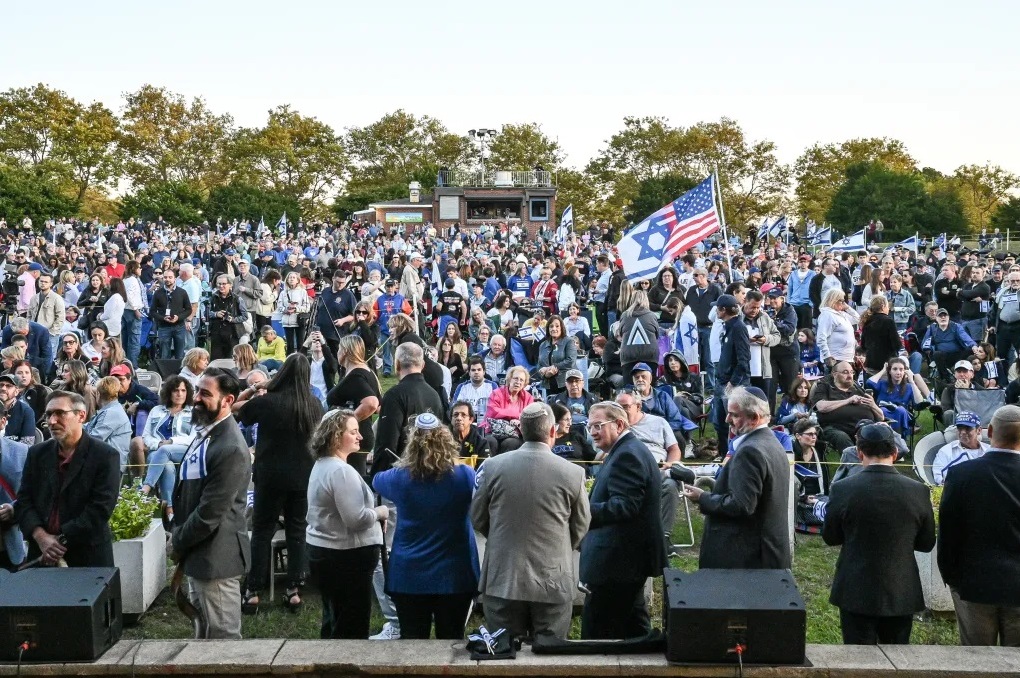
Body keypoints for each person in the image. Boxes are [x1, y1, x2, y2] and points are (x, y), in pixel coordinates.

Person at [471, 402, 590, 640]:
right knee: (550, 658)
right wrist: (560, 546)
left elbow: (477, 517)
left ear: (520, 431)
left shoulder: (492, 467)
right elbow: (581, 525)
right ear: (553, 431)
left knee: (504, 655)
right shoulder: (573, 473)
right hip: (553, 580)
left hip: (503, 577)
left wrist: (500, 537)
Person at [821, 421, 935, 644]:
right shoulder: (918, 491)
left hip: (855, 588)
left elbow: (830, 537)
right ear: (894, 453)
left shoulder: (842, 488)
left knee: (859, 661)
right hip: (901, 589)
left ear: (859, 452)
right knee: (897, 661)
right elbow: (926, 543)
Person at [373, 412, 479, 640]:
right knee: (451, 639)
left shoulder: (398, 477)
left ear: (412, 444)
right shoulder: (465, 476)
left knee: (413, 642)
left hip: (409, 573)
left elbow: (376, 479)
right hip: (455, 574)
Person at [368, 341, 445, 640]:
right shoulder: (434, 395)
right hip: (430, 481)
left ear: (397, 364)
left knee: (385, 553)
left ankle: (397, 620)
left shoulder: (396, 394)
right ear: (422, 364)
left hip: (400, 483)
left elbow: (385, 445)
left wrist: (376, 480)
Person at [235, 353, 322, 613]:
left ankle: (253, 590)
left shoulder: (269, 402)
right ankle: (294, 588)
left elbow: (237, 409)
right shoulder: (314, 405)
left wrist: (254, 388)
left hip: (270, 475)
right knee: (298, 531)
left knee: (262, 531)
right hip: (303, 477)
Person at [168, 368, 252, 640]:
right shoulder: (208, 432)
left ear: (228, 400)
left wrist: (178, 539)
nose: (196, 399)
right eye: (197, 391)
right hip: (200, 554)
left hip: (217, 559)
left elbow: (210, 513)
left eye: (206, 394)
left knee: (223, 643)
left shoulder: (230, 447)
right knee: (204, 635)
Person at [579, 401, 667, 639]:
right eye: (590, 427)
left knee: (597, 637)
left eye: (598, 425)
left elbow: (625, 506)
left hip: (618, 564)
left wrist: (580, 512)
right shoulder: (625, 450)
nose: (593, 432)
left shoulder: (628, 454)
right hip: (623, 562)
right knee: (636, 631)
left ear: (619, 424)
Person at [684, 386, 792, 569]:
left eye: (734, 415)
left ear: (755, 418)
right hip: (765, 554)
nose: (727, 420)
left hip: (747, 560)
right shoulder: (772, 442)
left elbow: (741, 505)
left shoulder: (750, 451)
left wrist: (702, 497)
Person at [938, 404, 1020, 646]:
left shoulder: (961, 474)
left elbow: (948, 532)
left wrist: (952, 578)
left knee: (976, 663)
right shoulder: (962, 474)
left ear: (989, 431)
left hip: (973, 583)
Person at [305, 409, 386, 639]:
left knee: (334, 618)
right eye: (354, 432)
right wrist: (379, 512)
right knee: (351, 624)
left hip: (328, 552)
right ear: (335, 436)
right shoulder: (341, 471)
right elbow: (356, 519)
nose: (360, 437)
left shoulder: (322, 465)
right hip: (346, 557)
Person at [16, 391, 120, 566]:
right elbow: (24, 500)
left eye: (60, 413)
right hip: (42, 557)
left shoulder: (104, 455)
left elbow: (100, 509)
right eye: (48, 414)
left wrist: (58, 541)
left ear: (81, 416)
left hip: (87, 558)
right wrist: (41, 537)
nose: (51, 421)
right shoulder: (37, 454)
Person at [134, 376, 196, 517]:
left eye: (183, 390)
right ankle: (169, 509)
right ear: (169, 392)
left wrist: (171, 442)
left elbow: (193, 438)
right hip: (157, 453)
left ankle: (145, 489)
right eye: (176, 390)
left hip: (184, 452)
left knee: (165, 450)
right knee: (166, 465)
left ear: (188, 393)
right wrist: (159, 444)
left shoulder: (194, 412)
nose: (179, 394)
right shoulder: (156, 410)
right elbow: (146, 436)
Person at [326, 335, 381, 477]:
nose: (337, 352)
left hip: (353, 438)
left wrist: (350, 421)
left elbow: (372, 403)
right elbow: (380, 406)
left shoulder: (356, 375)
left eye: (339, 349)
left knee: (352, 482)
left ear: (345, 351)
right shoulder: (367, 372)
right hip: (359, 436)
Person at [809, 361, 884, 453]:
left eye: (851, 372)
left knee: (874, 432)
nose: (850, 375)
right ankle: (854, 464)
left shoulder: (858, 389)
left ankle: (876, 463)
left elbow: (881, 417)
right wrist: (848, 401)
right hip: (834, 428)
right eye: (845, 372)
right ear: (834, 374)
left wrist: (873, 405)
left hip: (862, 426)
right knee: (842, 437)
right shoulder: (825, 387)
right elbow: (821, 407)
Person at [84, 377, 133, 471]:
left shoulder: (111, 413)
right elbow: (87, 427)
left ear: (98, 393)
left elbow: (94, 439)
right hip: (103, 463)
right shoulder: (110, 410)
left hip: (108, 467)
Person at [0, 411, 29, 569]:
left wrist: (13, 509)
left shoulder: (22, 452)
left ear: (2, 422)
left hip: (11, 541)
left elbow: (34, 493)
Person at [484, 365, 535, 455]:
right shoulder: (497, 393)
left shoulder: (528, 398)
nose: (518, 382)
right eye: (515, 378)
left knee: (510, 443)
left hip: (515, 434)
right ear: (509, 379)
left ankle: (504, 468)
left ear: (524, 384)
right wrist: (516, 416)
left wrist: (519, 421)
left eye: (521, 380)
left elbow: (530, 417)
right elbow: (493, 412)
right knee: (490, 441)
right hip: (494, 431)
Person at [931, 411, 989, 485]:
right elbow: (938, 476)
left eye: (968, 428)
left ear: (979, 430)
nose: (963, 432)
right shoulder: (947, 451)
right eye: (959, 428)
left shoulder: (989, 451)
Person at [151, 268, 192, 360]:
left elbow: (188, 309)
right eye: (165, 277)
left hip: (179, 327)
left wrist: (179, 317)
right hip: (164, 327)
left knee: (180, 355)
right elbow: (152, 311)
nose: (167, 279)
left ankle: (179, 373)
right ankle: (164, 374)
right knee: (164, 355)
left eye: (170, 277)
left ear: (174, 278)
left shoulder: (182, 292)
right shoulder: (158, 293)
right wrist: (162, 318)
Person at [207, 275, 250, 360]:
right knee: (216, 360)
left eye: (224, 284)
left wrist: (232, 319)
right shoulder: (212, 298)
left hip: (232, 333)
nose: (221, 286)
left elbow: (245, 316)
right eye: (219, 284)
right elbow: (206, 313)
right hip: (216, 333)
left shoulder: (237, 299)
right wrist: (216, 314)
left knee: (231, 359)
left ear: (230, 285)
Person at [817, 289, 861, 372]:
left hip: (846, 358)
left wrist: (848, 308)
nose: (844, 303)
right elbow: (821, 337)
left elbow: (858, 319)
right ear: (833, 300)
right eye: (842, 301)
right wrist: (827, 356)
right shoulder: (827, 314)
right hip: (836, 359)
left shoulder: (841, 314)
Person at [535, 314, 577, 395]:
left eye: (557, 326)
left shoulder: (569, 342)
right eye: (551, 326)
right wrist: (545, 374)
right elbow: (539, 365)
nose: (554, 329)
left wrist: (552, 367)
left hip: (566, 384)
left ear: (562, 328)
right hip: (548, 385)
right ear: (548, 329)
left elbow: (570, 361)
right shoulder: (542, 345)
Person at [451, 356, 497, 423]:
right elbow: (455, 407)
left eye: (479, 370)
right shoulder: (462, 387)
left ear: (484, 372)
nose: (476, 372)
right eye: (473, 370)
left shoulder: (492, 386)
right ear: (469, 373)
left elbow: (496, 407)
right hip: (466, 422)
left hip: (486, 421)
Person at [278, 271, 311, 354]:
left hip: (299, 321)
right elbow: (279, 306)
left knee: (301, 344)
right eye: (290, 277)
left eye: (293, 277)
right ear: (287, 280)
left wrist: (296, 309)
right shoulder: (283, 293)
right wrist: (285, 310)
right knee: (289, 345)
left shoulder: (303, 292)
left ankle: (302, 363)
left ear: (297, 280)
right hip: (287, 321)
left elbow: (307, 307)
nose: (291, 279)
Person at [0, 373, 37, 444]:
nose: (3, 388)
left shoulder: (26, 411)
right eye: (1, 385)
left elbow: (27, 444)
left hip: (13, 453)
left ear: (16, 391)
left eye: (8, 386)